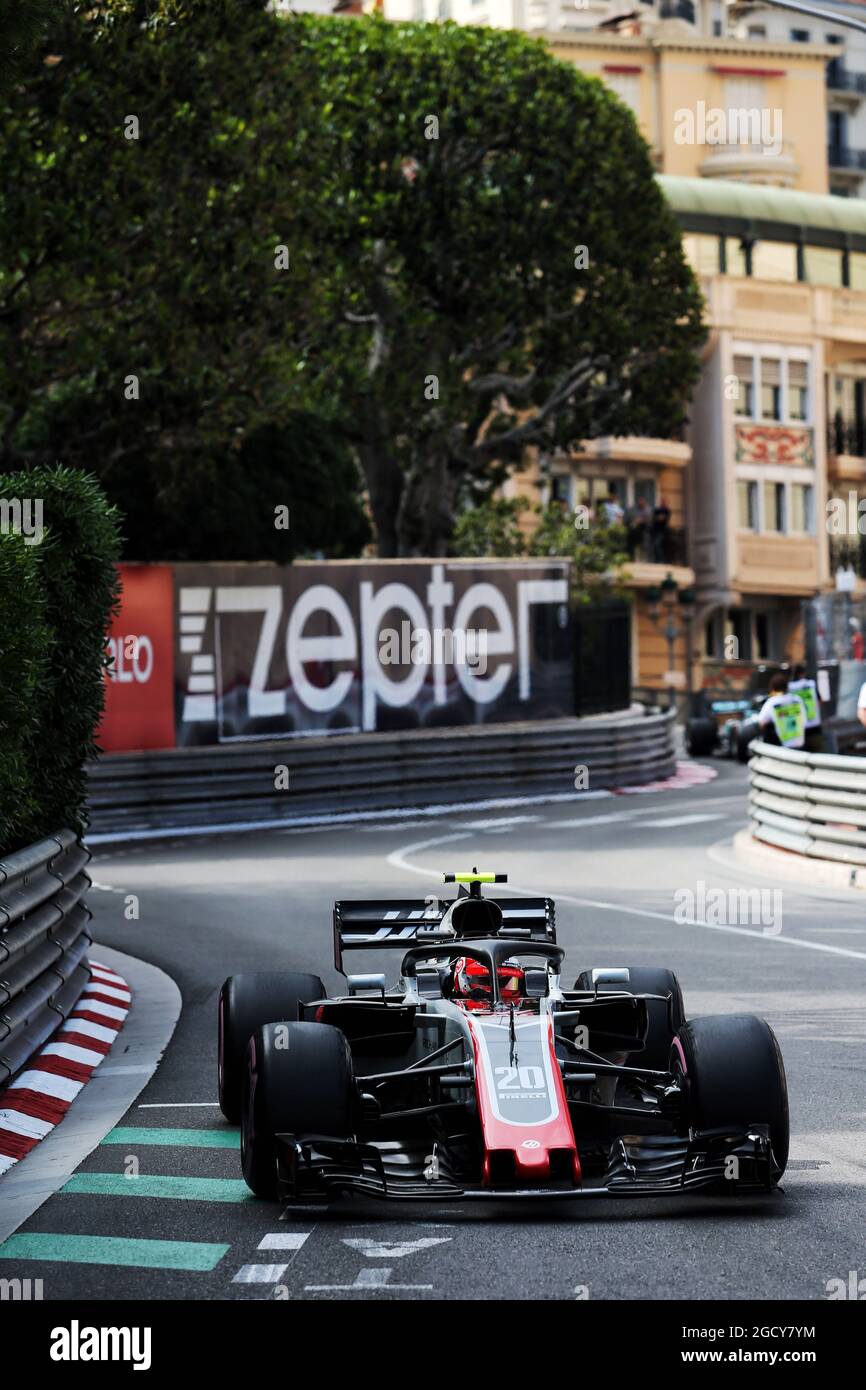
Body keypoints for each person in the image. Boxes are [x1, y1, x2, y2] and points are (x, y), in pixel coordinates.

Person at [757, 673, 807, 750]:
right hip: (800, 745)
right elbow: (804, 720)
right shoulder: (797, 699)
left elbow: (761, 723)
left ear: (772, 688)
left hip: (782, 748)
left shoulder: (772, 702)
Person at [788, 663, 823, 752]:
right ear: (803, 673)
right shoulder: (811, 684)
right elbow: (820, 701)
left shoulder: (789, 688)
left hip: (797, 729)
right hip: (814, 726)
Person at [650, 497, 671, 562]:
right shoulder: (657, 510)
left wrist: (659, 518)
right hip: (655, 530)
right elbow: (654, 518)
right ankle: (657, 560)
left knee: (658, 545)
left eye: (664, 502)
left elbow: (664, 519)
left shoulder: (667, 511)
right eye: (662, 502)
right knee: (655, 545)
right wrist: (659, 518)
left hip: (662, 531)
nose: (663, 503)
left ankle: (661, 560)